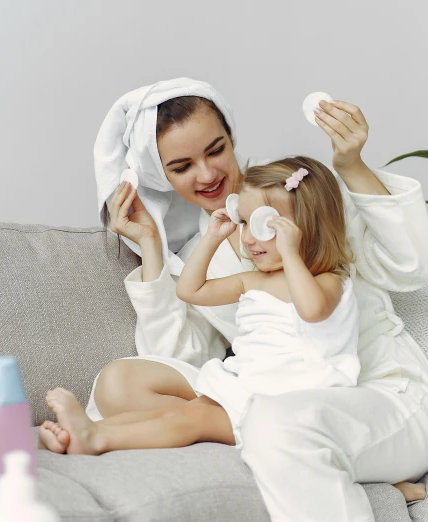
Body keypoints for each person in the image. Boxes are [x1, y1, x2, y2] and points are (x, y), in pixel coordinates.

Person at [39, 78, 428, 520]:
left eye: (215, 150)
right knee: (120, 384)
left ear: (232, 138)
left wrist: (352, 166)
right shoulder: (203, 251)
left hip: (379, 400)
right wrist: (153, 246)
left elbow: (414, 267)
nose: (207, 174)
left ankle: (328, 464)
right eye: (182, 167)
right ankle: (307, 461)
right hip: (272, 390)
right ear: (162, 175)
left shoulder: (303, 200)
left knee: (272, 420)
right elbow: (185, 357)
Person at [39, 156, 360, 454]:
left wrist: (290, 253)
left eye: (263, 226)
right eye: (244, 223)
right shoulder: (253, 281)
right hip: (242, 389)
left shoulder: (330, 282)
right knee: (175, 414)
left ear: (306, 226)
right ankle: (85, 432)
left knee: (188, 421)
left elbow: (312, 310)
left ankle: (97, 438)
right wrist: (212, 238)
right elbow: (191, 291)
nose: (247, 238)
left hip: (286, 407)